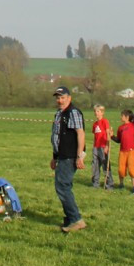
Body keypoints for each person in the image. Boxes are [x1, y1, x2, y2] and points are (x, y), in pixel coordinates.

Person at [50, 86, 86, 233]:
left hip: (70, 155)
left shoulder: (73, 112)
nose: (60, 100)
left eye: (63, 97)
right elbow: (57, 137)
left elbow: (80, 134)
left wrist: (79, 156)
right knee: (62, 186)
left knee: (63, 186)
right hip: (61, 155)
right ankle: (70, 219)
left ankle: (76, 219)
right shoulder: (59, 114)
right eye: (58, 98)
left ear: (69, 98)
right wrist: (54, 157)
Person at [112, 109, 134, 192]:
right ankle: (121, 184)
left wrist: (131, 117)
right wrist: (111, 136)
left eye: (122, 116)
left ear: (126, 117)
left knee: (131, 168)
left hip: (131, 151)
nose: (121, 117)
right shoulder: (120, 128)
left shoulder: (133, 125)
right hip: (122, 151)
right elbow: (118, 140)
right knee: (121, 169)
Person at [91, 104, 113, 189]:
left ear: (102, 112)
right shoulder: (95, 124)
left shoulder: (105, 121)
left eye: (98, 111)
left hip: (103, 146)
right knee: (95, 165)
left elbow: (107, 133)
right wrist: (94, 147)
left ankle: (109, 184)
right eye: (95, 111)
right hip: (96, 147)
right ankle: (95, 183)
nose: (96, 113)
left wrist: (107, 146)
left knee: (105, 165)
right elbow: (95, 136)